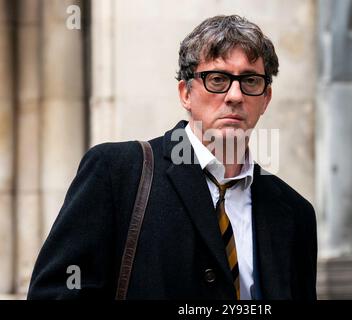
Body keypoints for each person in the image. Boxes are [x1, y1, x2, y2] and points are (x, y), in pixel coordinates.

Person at [28, 14, 317, 300]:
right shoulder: (117, 172)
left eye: (250, 81)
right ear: (185, 93)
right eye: (217, 79)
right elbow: (55, 294)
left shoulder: (295, 212)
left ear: (265, 98)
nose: (235, 95)